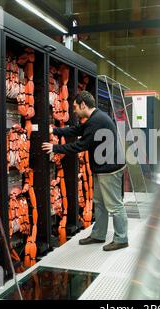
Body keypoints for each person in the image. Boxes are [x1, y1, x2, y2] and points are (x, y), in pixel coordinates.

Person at [42, 90, 128, 251]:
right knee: (100, 204)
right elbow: (77, 130)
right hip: (103, 168)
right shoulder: (95, 118)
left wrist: (55, 147)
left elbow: (80, 145)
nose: (73, 110)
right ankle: (98, 235)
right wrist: (54, 130)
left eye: (75, 107)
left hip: (109, 169)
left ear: (83, 105)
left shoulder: (97, 121)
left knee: (114, 205)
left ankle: (121, 238)